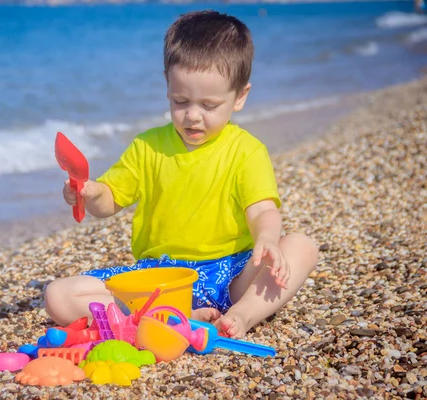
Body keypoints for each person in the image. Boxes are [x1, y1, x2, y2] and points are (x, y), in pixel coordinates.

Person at [45, 10, 318, 338]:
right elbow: (109, 201)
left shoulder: (246, 151)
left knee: (301, 246)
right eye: (180, 100)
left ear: (240, 97)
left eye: (209, 105)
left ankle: (242, 316)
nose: (192, 116)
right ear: (167, 84)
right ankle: (179, 317)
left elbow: (262, 209)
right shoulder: (149, 147)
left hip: (230, 276)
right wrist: (89, 192)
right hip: (159, 280)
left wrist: (267, 239)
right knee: (58, 296)